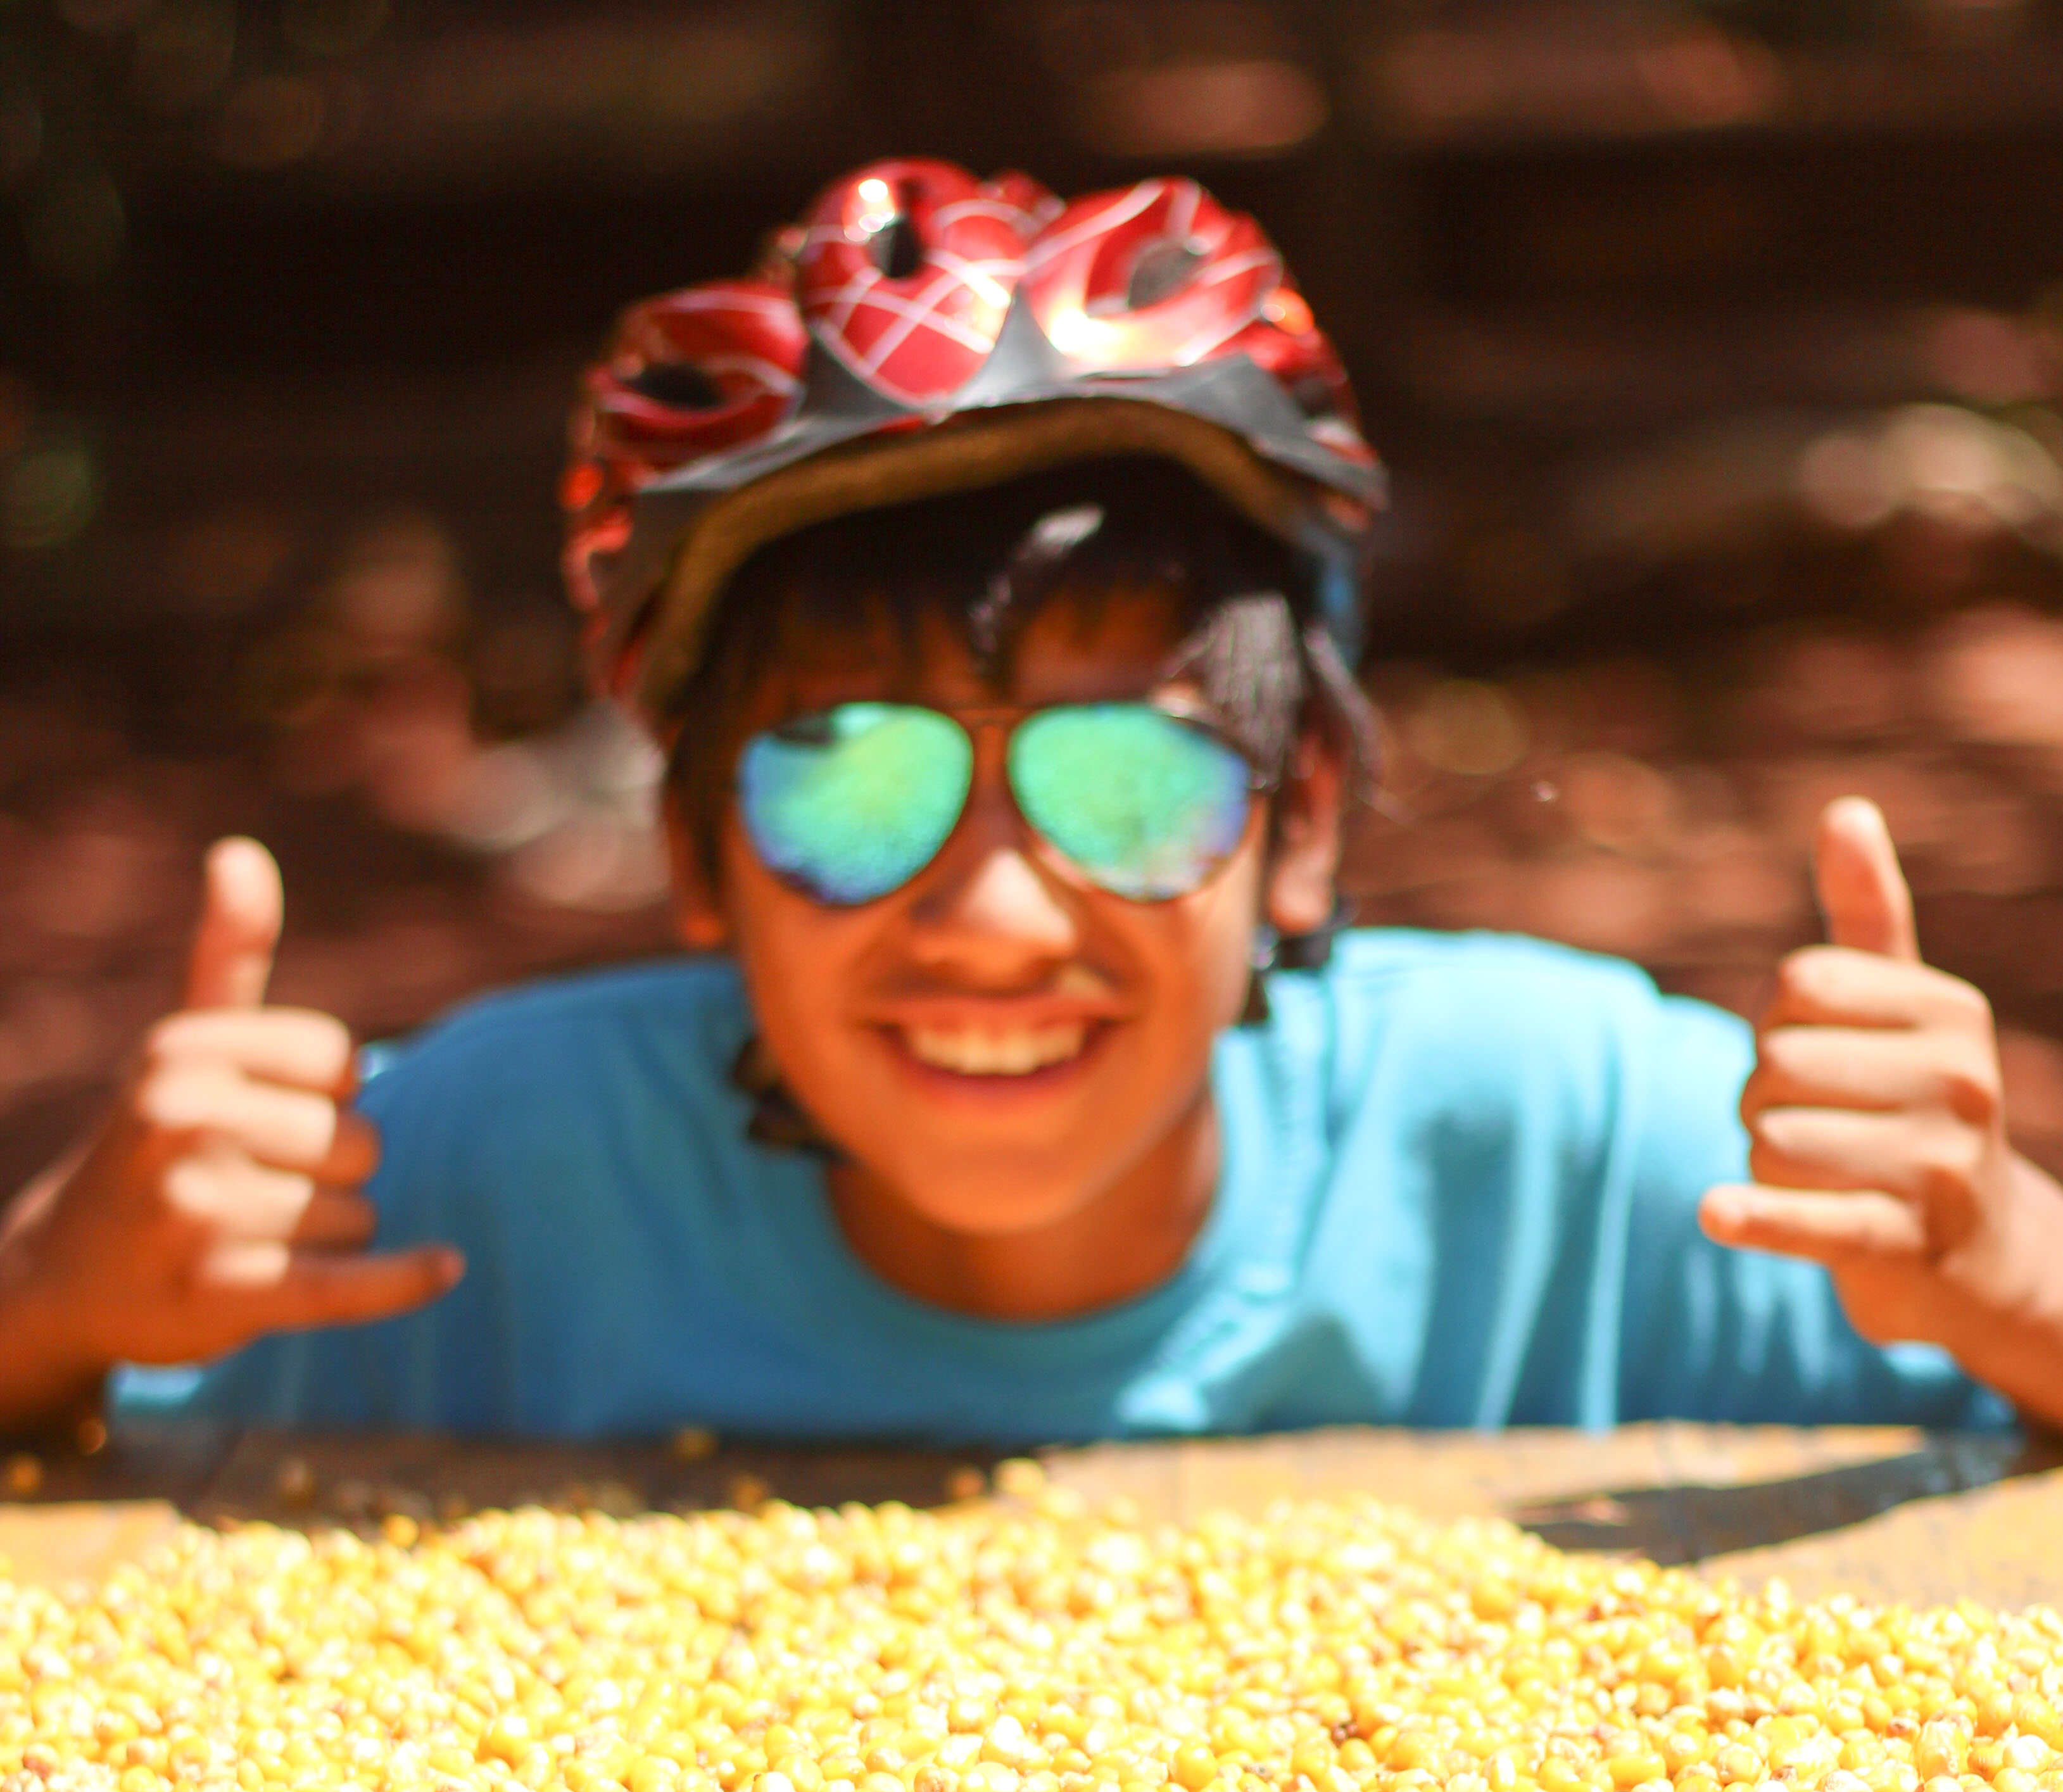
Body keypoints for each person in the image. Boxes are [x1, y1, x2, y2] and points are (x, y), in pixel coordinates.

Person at [3, 159, 2060, 1447]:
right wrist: (54, 1297)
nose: (993, 913)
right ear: (694, 857)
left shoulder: (1587, 1144)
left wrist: (2008, 1265)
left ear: (1306, 820)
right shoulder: (457, 1193)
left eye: (1129, 777)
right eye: (853, 775)